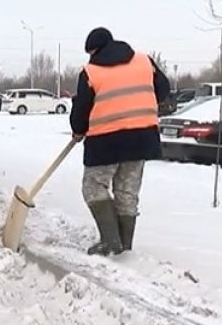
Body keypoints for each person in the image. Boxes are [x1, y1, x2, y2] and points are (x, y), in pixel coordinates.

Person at [69, 27, 170, 256]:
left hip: (106, 141)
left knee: (94, 187)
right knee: (127, 192)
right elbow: (163, 90)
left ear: (96, 49)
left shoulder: (91, 72)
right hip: (142, 137)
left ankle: (111, 241)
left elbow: (82, 108)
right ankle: (124, 247)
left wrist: (78, 130)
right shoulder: (145, 61)